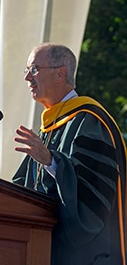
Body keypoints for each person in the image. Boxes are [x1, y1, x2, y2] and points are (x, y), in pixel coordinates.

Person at [12, 43, 127, 265]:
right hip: (44, 251)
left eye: (34, 69)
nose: (27, 77)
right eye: (26, 69)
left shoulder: (90, 120)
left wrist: (52, 162)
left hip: (88, 256)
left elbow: (95, 196)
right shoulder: (48, 129)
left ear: (60, 73)